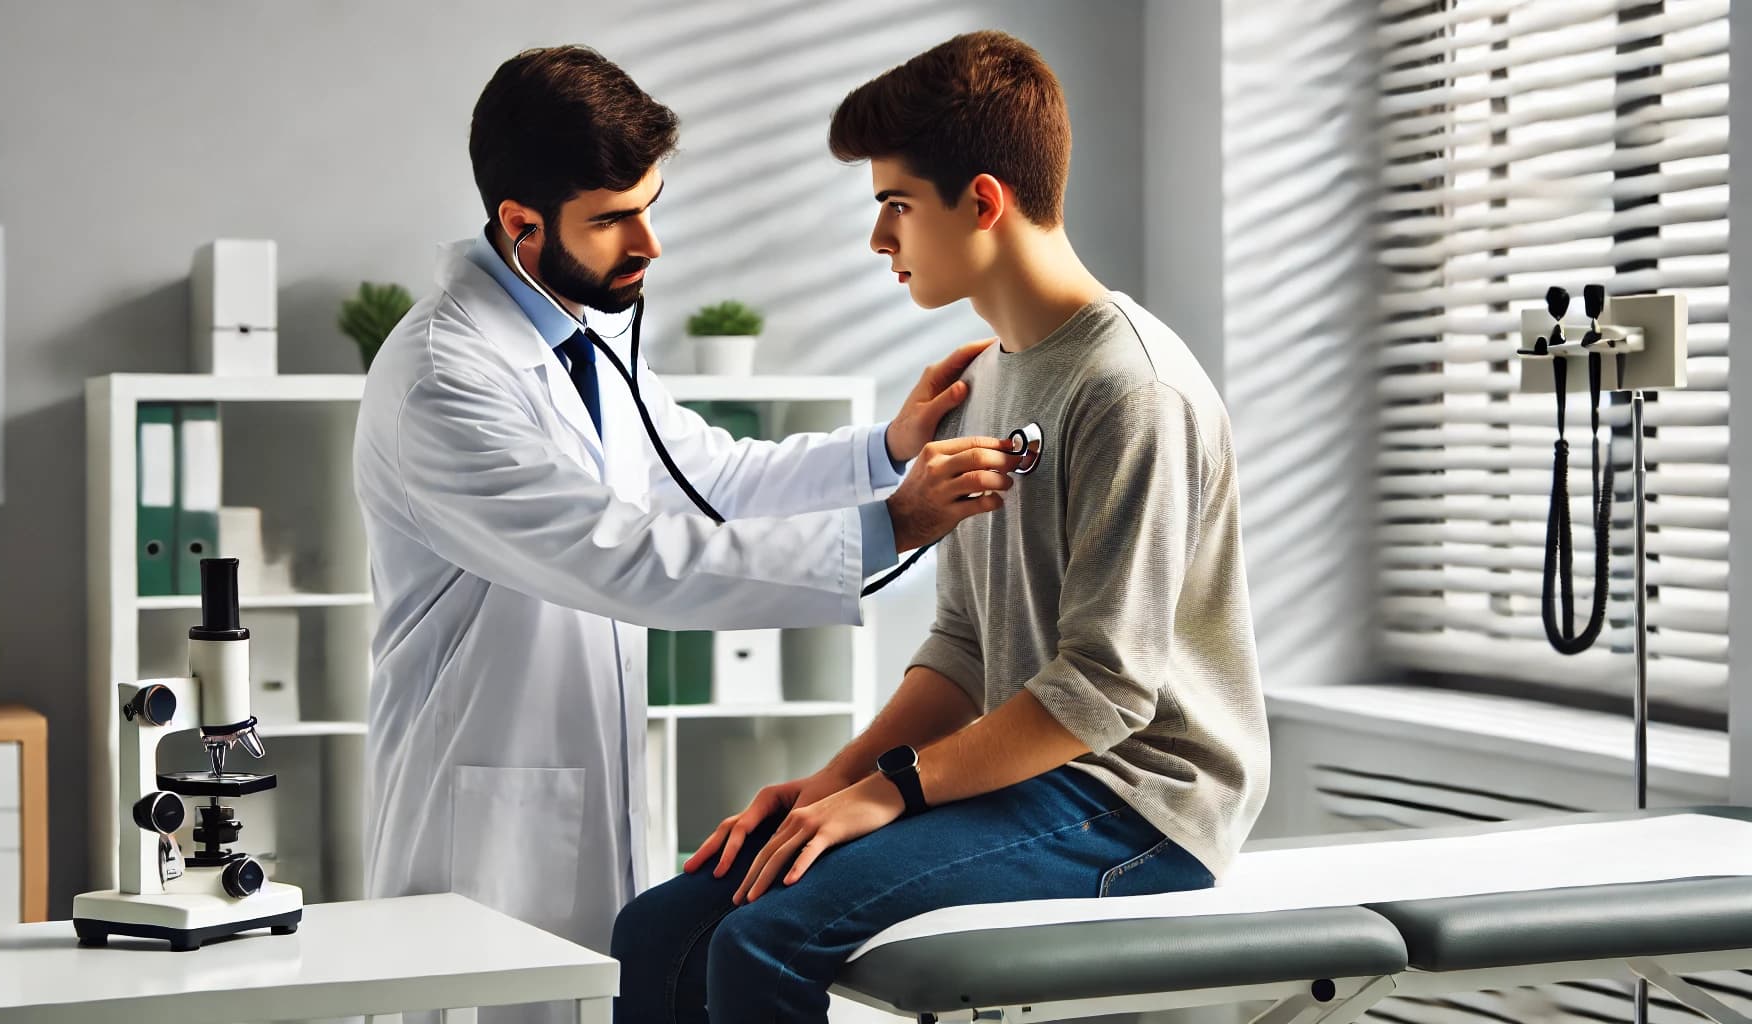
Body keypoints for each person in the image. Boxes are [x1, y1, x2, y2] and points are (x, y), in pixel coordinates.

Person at [611, 30, 1271, 1023]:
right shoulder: (981, 383)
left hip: (1139, 799)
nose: (879, 240)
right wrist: (834, 778)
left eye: (895, 205)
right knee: (661, 926)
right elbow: (964, 643)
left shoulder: (1133, 388)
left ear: (984, 200)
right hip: (1030, 772)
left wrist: (891, 791)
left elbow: (1102, 690)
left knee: (763, 940)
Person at [351, 45, 1019, 1023]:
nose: (649, 242)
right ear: (521, 226)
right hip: (480, 822)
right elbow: (627, 556)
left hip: (580, 782)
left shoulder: (578, 332)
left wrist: (886, 447)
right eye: (615, 218)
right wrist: (892, 525)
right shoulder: (444, 378)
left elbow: (706, 475)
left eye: (649, 204)